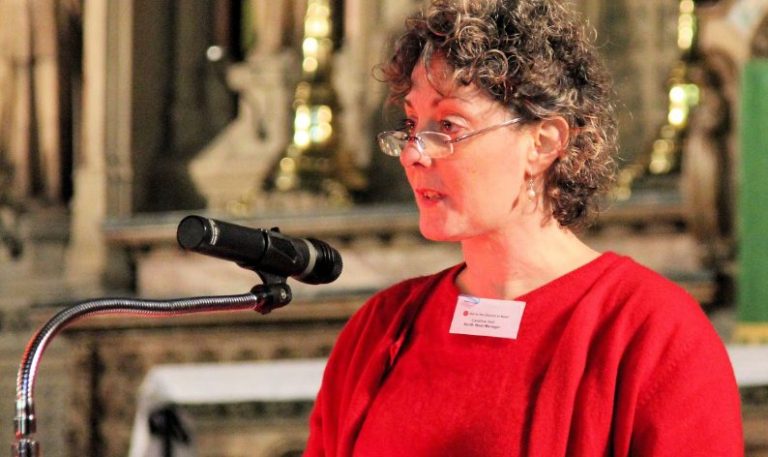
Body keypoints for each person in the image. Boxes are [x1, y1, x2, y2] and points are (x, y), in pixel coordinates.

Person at [304, 0, 744, 455]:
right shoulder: (378, 331)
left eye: (449, 125)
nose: (413, 153)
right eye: (412, 124)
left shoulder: (654, 334)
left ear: (544, 143)